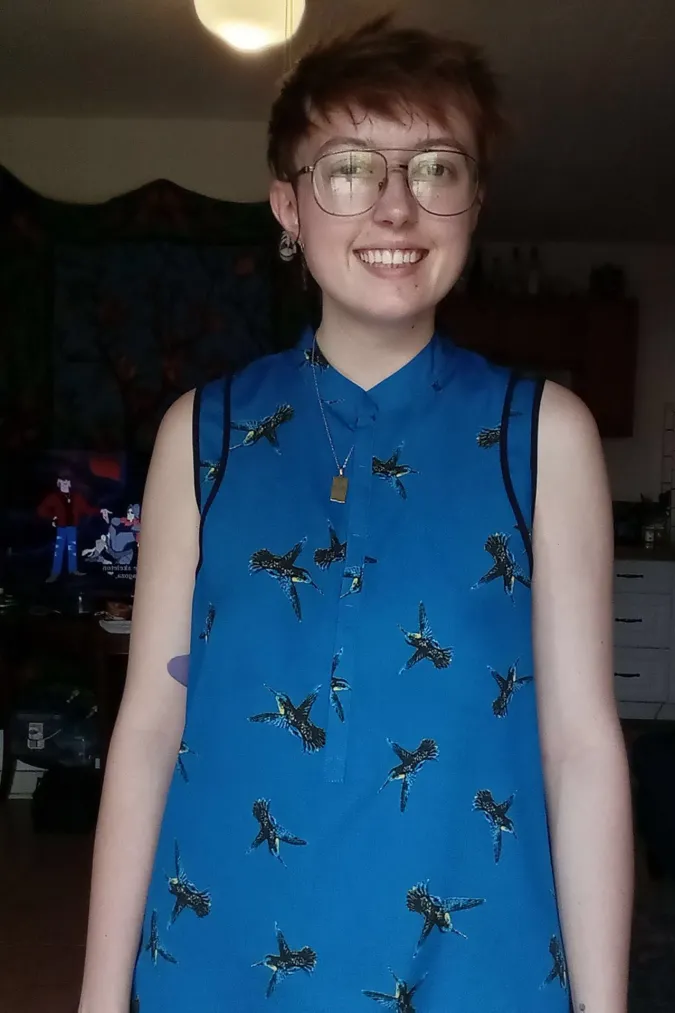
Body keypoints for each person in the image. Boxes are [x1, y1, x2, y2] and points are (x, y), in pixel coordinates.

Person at [78, 16, 632, 1013]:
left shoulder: (545, 434)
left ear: (472, 204)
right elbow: (153, 723)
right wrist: (95, 995)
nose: (394, 205)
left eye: (434, 168)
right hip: (219, 959)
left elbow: (580, 745)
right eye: (347, 170)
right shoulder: (198, 436)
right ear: (287, 205)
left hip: (474, 966)